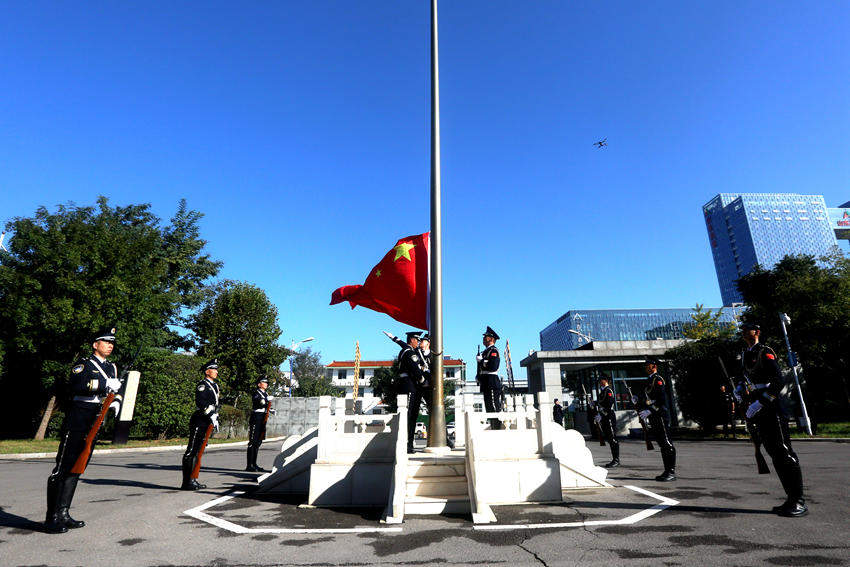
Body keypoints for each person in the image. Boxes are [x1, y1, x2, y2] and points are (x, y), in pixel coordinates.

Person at [45, 327, 122, 534]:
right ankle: (51, 518)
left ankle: (63, 513)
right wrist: (105, 385)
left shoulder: (112, 367)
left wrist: (116, 401)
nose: (110, 345)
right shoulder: (83, 364)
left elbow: (116, 390)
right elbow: (77, 385)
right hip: (79, 416)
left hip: (96, 418)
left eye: (112, 342)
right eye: (105, 341)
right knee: (63, 467)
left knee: (78, 467)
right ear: (95, 344)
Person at [738, 322, 807, 517]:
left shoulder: (765, 352)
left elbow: (778, 381)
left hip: (772, 408)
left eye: (747, 330)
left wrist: (760, 402)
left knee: (784, 452)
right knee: (774, 453)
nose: (744, 333)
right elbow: (745, 377)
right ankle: (790, 499)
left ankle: (799, 501)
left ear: (757, 332)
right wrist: (739, 389)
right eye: (742, 330)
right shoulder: (746, 354)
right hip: (757, 408)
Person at [181, 359, 221, 490]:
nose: (216, 371)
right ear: (207, 371)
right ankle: (187, 482)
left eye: (216, 369)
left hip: (207, 420)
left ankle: (193, 479)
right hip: (199, 420)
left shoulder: (214, 386)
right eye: (213, 369)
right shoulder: (202, 385)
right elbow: (201, 403)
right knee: (192, 450)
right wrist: (211, 414)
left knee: (199, 451)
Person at [637, 357, 676, 481]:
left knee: (667, 443)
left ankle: (671, 472)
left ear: (654, 366)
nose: (646, 367)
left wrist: (650, 410)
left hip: (660, 415)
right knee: (661, 444)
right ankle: (666, 470)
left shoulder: (658, 380)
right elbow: (646, 398)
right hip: (653, 416)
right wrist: (639, 403)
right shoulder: (648, 381)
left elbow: (662, 400)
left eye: (648, 365)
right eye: (645, 365)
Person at [396, 331, 427, 453]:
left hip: (407, 384)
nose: (418, 342)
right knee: (409, 416)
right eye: (417, 340)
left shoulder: (405, 351)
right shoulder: (409, 352)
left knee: (410, 415)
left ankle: (408, 443)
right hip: (410, 384)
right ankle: (407, 444)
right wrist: (423, 380)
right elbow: (415, 369)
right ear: (411, 340)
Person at [246, 377, 275, 472]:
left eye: (267, 382)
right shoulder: (256, 393)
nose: (266, 384)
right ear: (259, 384)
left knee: (258, 442)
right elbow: (259, 402)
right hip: (256, 418)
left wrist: (270, 409)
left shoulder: (265, 393)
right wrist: (266, 400)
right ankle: (249, 465)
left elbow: (265, 404)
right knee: (253, 442)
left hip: (262, 418)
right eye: (264, 382)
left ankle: (254, 464)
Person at [476, 326, 502, 430]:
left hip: (492, 381)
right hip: (485, 381)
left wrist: (481, 361)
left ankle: (497, 429)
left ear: (491, 339)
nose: (484, 338)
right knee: (488, 408)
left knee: (494, 406)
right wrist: (478, 376)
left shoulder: (493, 351)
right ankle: (493, 428)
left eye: (486, 336)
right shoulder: (485, 352)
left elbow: (493, 366)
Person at [596, 377, 620, 468]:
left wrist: (601, 415)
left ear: (605, 381)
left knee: (613, 438)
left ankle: (616, 460)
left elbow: (609, 405)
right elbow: (601, 403)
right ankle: (614, 459)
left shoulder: (608, 390)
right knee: (610, 438)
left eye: (601, 380)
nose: (599, 382)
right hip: (604, 417)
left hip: (609, 416)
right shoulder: (602, 391)